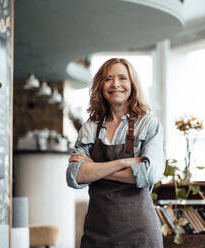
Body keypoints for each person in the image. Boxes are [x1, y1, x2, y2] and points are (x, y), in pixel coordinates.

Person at [66, 58, 165, 248]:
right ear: (101, 86)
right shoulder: (90, 128)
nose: (115, 84)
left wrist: (94, 169)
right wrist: (123, 163)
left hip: (139, 233)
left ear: (133, 84)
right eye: (108, 79)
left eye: (122, 78)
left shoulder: (149, 125)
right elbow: (74, 175)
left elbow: (148, 175)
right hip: (97, 231)